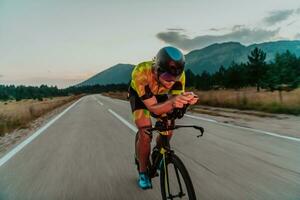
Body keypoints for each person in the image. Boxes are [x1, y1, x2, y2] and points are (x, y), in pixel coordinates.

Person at [128, 46, 198, 189]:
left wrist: (183, 103)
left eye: (175, 77)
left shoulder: (180, 75)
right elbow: (152, 107)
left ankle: (157, 153)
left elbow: (174, 100)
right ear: (157, 69)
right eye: (167, 77)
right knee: (145, 132)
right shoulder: (141, 73)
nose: (171, 82)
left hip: (161, 96)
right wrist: (172, 102)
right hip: (141, 98)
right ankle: (143, 172)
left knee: (168, 129)